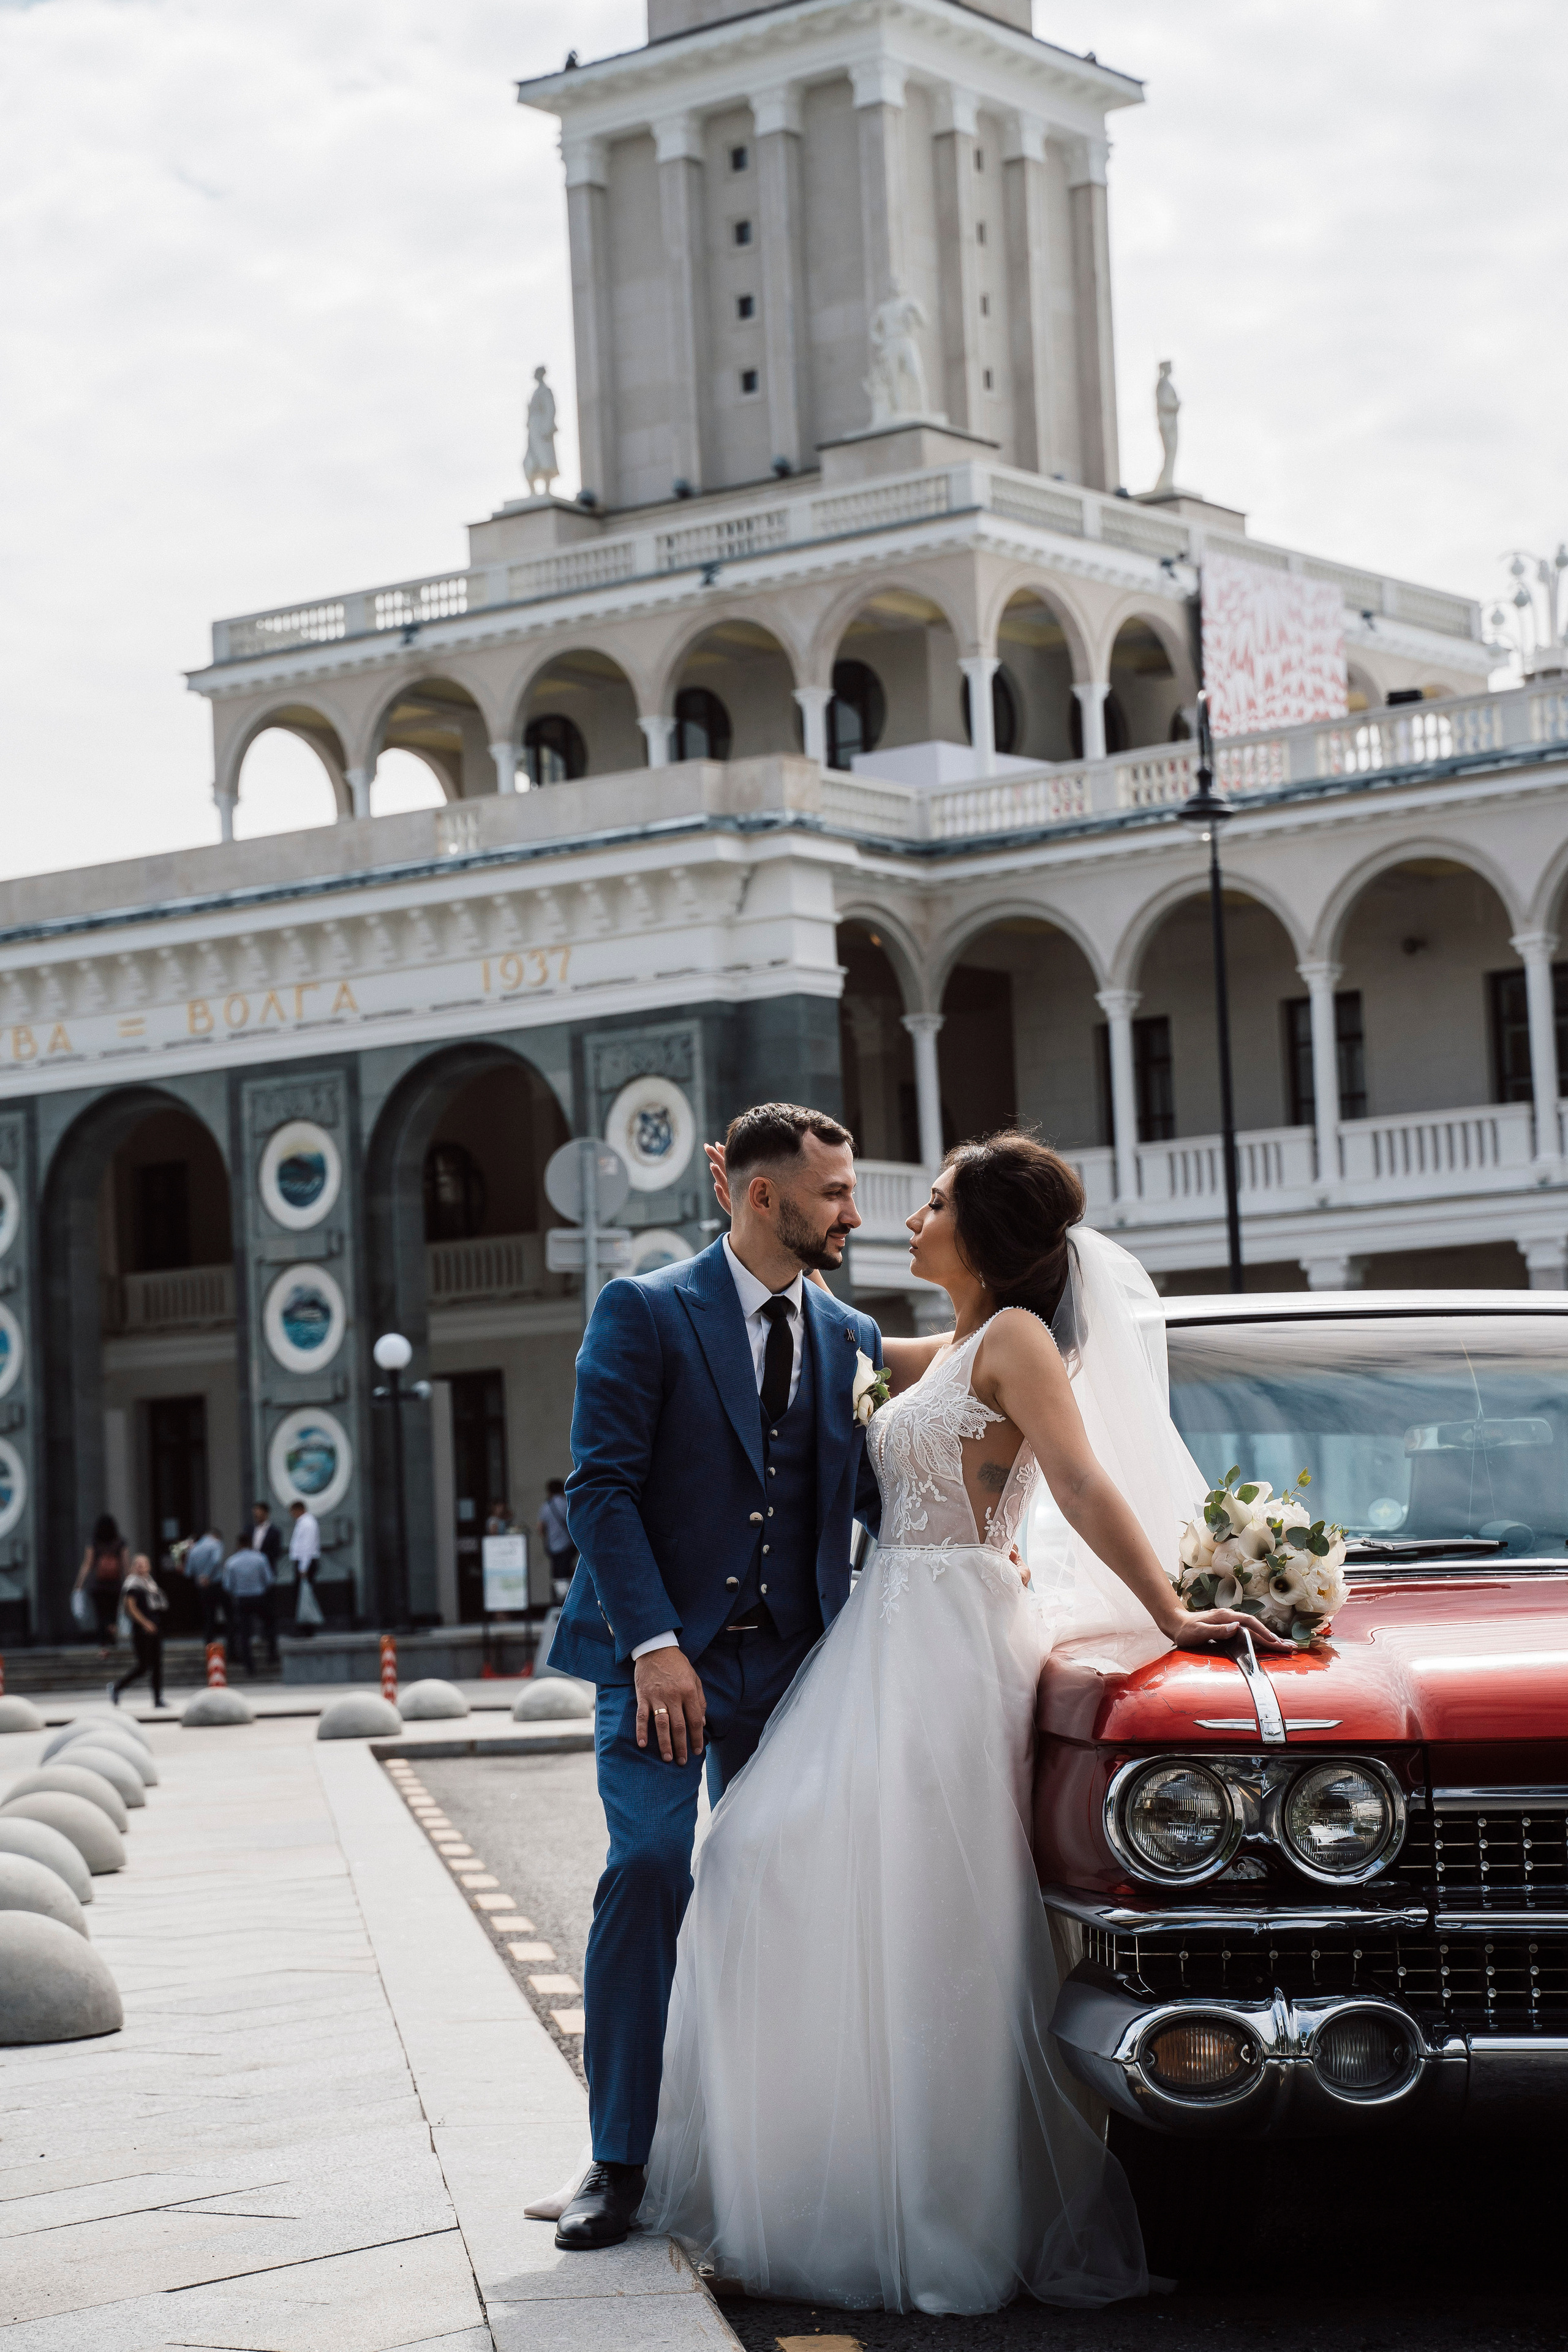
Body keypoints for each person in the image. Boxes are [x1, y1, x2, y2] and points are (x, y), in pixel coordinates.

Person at [631, 1131, 1290, 2313]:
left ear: (981, 1232)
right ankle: (837, 2171)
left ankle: (941, 2215)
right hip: (885, 1635)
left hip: (950, 1642)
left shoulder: (1023, 1341)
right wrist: (747, 1221)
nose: (905, 1215)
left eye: (931, 1200)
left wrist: (1174, 1611)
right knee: (769, 1862)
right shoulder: (954, 1348)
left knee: (926, 1915)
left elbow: (1081, 1483)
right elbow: (808, 1333)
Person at [546, 1103, 882, 2255]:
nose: (852, 1212)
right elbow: (599, 1491)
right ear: (758, 1196)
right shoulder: (643, 1312)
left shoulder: (855, 1339)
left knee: (783, 1895)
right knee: (647, 1872)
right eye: (834, 1193)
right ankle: (618, 2159)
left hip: (794, 1668)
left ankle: (764, 2143)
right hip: (661, 1664)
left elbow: (876, 1501)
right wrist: (654, 1646)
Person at [110, 1554, 168, 1709]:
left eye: (143, 1564)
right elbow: (130, 1607)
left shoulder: (149, 1582)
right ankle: (117, 1687)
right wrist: (145, 1623)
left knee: (157, 1664)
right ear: (133, 1567)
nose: (141, 1567)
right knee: (143, 1666)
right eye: (137, 1564)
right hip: (142, 1629)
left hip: (155, 1626)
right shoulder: (132, 1584)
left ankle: (158, 1699)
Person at [74, 1515, 129, 1657]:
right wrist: (130, 1581)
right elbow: (125, 1564)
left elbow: (87, 1564)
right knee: (113, 1612)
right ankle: (112, 1634)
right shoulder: (120, 1542)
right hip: (115, 1584)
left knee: (101, 1614)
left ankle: (103, 1643)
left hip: (98, 1585)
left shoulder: (94, 1542)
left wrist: (79, 1584)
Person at [222, 1534, 275, 1675]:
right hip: (259, 1597)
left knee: (244, 1634)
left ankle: (249, 1666)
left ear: (239, 1545)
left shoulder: (232, 1562)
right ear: (251, 1544)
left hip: (242, 1599)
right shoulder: (260, 1559)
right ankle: (271, 1655)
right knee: (269, 1624)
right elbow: (269, 1579)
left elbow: (228, 1586)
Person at [251, 1503, 283, 1658]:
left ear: (266, 1513)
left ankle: (271, 1645)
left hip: (266, 1575)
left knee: (269, 1611)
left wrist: (261, 1560)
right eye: (254, 1513)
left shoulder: (274, 1532)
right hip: (251, 1576)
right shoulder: (250, 1530)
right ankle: (257, 1634)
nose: (256, 1515)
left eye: (258, 1512)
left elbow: (276, 1553)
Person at [185, 1526, 225, 1644]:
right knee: (228, 1613)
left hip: (201, 1586)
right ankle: (232, 1649)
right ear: (216, 1536)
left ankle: (209, 1644)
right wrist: (207, 1575)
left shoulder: (194, 1547)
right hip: (215, 1583)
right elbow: (216, 1561)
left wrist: (200, 1576)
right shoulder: (216, 1544)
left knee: (208, 1616)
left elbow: (189, 1572)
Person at [537, 1480, 575, 1600]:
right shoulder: (566, 1503)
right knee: (567, 1574)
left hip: (553, 1547)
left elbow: (540, 1528)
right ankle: (567, 1601)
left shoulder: (545, 1507)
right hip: (568, 1545)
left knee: (557, 1575)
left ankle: (557, 1601)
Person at [288, 1499, 322, 1634]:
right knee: (301, 1595)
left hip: (306, 1563)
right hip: (304, 1562)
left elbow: (307, 1546)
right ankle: (304, 1626)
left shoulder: (307, 1523)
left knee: (303, 1596)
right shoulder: (304, 1523)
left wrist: (303, 1567)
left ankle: (307, 1627)